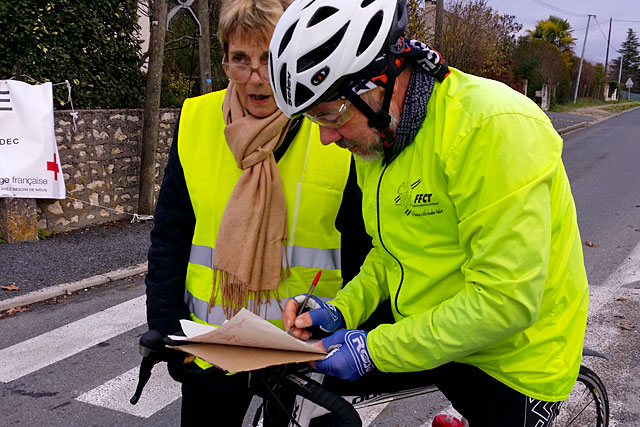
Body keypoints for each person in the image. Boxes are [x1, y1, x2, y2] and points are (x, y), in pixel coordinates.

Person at [272, 1, 589, 426]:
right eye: (314, 119)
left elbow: (505, 302)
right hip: (438, 333)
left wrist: (374, 349)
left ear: (382, 81)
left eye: (331, 114)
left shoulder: (492, 126)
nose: (327, 137)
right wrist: (342, 309)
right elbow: (390, 255)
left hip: (516, 360)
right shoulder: (379, 138)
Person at [144, 1, 371, 425]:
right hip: (213, 351)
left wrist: (356, 335)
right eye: (240, 60)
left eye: (269, 59)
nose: (255, 78)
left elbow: (364, 248)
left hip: (305, 353)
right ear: (225, 60)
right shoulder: (196, 121)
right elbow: (171, 234)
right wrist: (167, 327)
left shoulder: (333, 124)